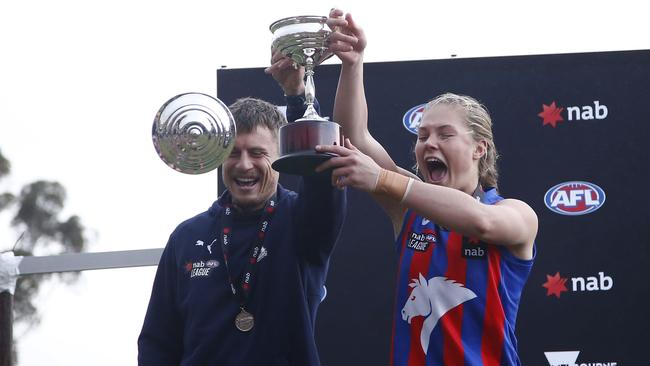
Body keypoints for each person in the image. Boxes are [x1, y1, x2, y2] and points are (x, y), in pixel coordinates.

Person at [315, 9, 538, 365]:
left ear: (480, 148)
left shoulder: (517, 214)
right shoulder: (410, 209)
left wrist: (385, 179)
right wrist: (353, 64)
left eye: (445, 134)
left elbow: (482, 223)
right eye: (422, 135)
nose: (428, 143)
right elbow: (352, 138)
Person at [137, 53, 346, 365]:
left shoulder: (302, 221)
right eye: (233, 153)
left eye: (258, 152)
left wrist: (297, 95)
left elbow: (322, 170)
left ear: (279, 156)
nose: (244, 164)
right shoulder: (186, 236)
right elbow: (158, 341)